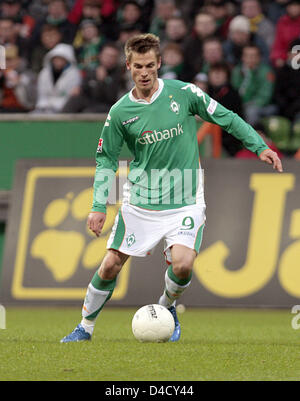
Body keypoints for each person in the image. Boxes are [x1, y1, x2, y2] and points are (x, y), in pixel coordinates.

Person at [60, 33, 283, 343]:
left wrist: (259, 146)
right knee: (110, 264)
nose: (145, 72)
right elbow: (106, 160)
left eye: (150, 65)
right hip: (141, 199)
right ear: (128, 66)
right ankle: (85, 327)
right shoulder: (120, 112)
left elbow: (226, 118)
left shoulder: (184, 93)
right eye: (138, 66)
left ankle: (166, 307)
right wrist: (99, 205)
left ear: (159, 63)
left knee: (183, 263)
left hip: (185, 198)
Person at [231, 44, 276, 125]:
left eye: (253, 56)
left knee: (251, 111)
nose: (250, 59)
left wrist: (246, 105)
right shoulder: (237, 71)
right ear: (242, 57)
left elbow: (264, 96)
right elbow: (234, 90)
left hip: (263, 106)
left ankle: (251, 136)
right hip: (241, 104)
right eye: (247, 56)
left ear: (259, 58)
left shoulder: (266, 72)